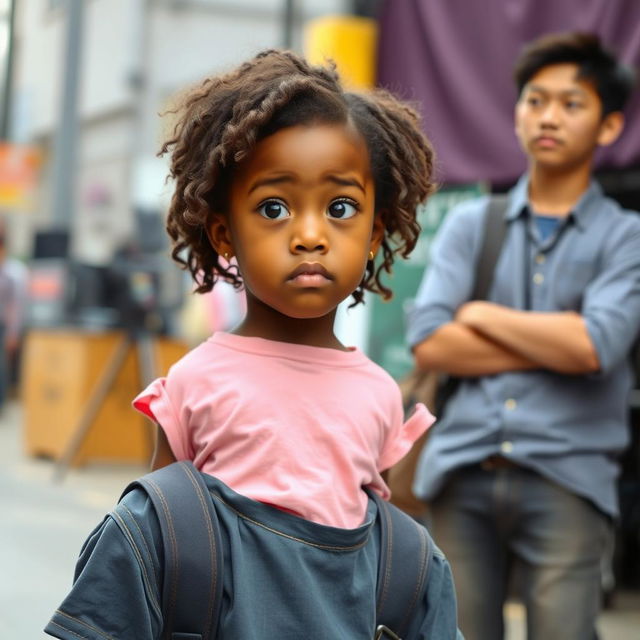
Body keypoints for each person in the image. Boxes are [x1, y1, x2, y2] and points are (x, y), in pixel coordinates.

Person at [45, 49, 463, 639]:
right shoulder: (194, 382)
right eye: (274, 207)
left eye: (340, 208)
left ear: (373, 235)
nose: (311, 235)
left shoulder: (379, 396)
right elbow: (158, 541)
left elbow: (376, 566)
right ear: (224, 234)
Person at [406, 32, 640, 640]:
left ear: (609, 127)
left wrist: (480, 314)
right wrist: (555, 340)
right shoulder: (469, 223)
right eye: (535, 101)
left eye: (571, 103)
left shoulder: (626, 237)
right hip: (462, 468)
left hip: (569, 476)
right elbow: (430, 341)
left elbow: (596, 346)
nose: (548, 117)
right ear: (515, 114)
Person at [0, 217, 27, 413]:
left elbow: (16, 305)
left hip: (3, 326)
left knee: (2, 369)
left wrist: (13, 333)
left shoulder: (13, 271)